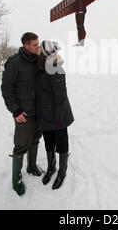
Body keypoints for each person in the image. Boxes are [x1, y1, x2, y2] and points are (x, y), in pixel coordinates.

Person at [1, 32, 44, 196]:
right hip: (23, 113)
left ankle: (31, 167)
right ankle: (16, 180)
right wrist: (15, 110)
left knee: (35, 139)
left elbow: (56, 64)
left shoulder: (38, 59)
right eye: (34, 45)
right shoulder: (14, 63)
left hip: (38, 110)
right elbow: (6, 89)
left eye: (38, 44)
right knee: (21, 145)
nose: (37, 47)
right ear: (25, 45)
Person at [36, 40, 74, 190]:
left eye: (40, 48)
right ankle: (51, 166)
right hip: (45, 114)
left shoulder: (56, 68)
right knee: (49, 142)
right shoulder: (41, 66)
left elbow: (61, 96)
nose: (38, 49)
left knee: (62, 142)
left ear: (45, 53)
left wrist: (58, 118)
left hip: (58, 116)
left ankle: (62, 171)